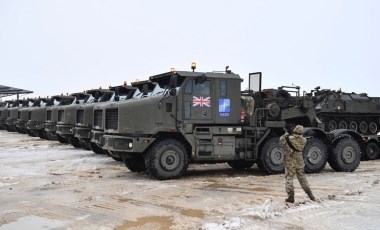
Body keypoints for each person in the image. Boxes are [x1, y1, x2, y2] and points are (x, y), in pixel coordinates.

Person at [279, 124, 316, 203]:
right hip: (300, 161)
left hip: (290, 162)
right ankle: (310, 195)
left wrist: (286, 133)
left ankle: (291, 197)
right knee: (302, 178)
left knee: (289, 178)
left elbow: (281, 140)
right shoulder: (304, 140)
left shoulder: (288, 138)